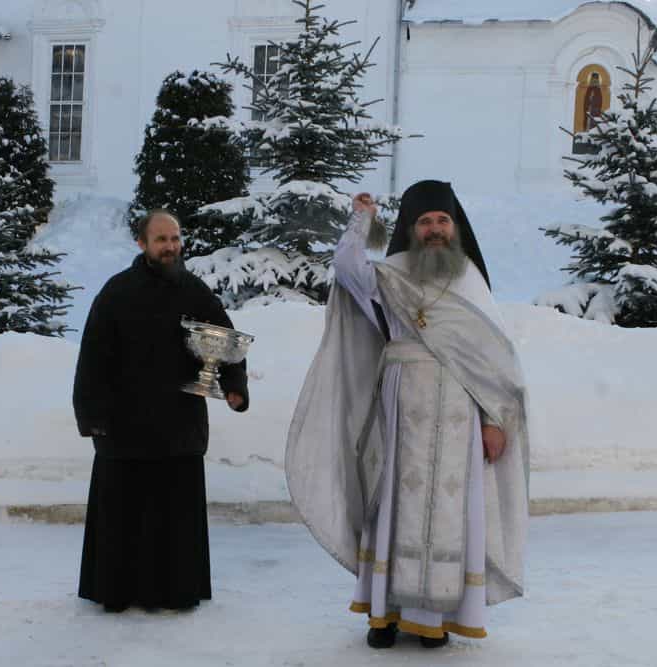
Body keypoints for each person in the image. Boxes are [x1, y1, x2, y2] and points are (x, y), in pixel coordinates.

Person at [286, 180, 530, 649]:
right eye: (425, 222)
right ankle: (384, 617)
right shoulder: (391, 272)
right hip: (400, 409)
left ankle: (434, 618)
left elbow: (495, 361)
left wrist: (494, 420)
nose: (435, 229)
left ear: (454, 227)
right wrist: (360, 220)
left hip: (461, 411)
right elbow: (347, 269)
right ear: (411, 229)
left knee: (449, 514)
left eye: (442, 220)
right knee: (390, 503)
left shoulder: (471, 282)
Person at [73, 209, 249, 613]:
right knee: (124, 516)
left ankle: (176, 592)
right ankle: (117, 592)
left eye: (174, 239)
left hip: (179, 426)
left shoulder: (195, 290)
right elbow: (93, 358)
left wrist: (235, 387)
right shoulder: (116, 292)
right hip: (124, 427)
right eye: (161, 240)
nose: (170, 247)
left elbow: (226, 340)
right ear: (142, 244)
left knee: (175, 517)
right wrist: (92, 415)